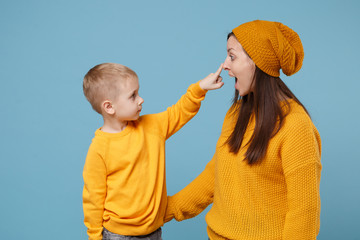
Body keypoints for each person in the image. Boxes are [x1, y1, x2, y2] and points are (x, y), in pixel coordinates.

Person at [165, 20, 322, 240]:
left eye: (232, 56)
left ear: (257, 62)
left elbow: (304, 213)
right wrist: (163, 210)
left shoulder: (296, 127)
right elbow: (216, 176)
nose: (225, 65)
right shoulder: (236, 113)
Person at [82, 62, 224, 240]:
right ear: (109, 107)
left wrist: (200, 88)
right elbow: (93, 198)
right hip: (118, 234)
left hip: (153, 231)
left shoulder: (152, 127)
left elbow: (179, 112)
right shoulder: (99, 149)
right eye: (132, 96)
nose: (141, 99)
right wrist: (94, 236)